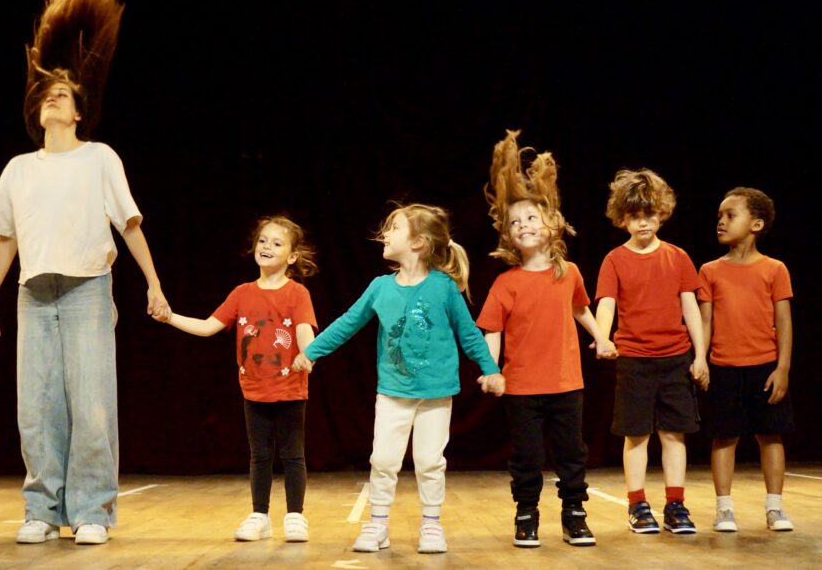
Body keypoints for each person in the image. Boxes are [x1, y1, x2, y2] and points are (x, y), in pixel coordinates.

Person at [0, 0, 170, 546]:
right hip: (33, 294)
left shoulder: (99, 157)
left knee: (92, 406)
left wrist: (153, 285)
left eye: (64, 94)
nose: (53, 97)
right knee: (34, 407)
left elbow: (129, 224)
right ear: (38, 113)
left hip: (86, 289)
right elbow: (5, 239)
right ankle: (40, 508)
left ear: (78, 112)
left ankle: (91, 511)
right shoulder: (18, 168)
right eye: (47, 95)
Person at [292, 203, 504, 555]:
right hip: (393, 392)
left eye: (394, 228)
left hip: (435, 394)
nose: (385, 234)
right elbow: (347, 323)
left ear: (418, 242)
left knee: (430, 461)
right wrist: (311, 351)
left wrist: (491, 369)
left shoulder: (444, 287)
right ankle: (377, 524)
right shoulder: (380, 287)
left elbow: (468, 333)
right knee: (384, 460)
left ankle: (432, 525)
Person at [477, 129, 616, 549]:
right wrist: (490, 371)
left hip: (566, 383)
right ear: (508, 234)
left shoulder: (568, 273)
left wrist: (602, 338)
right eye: (515, 222)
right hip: (521, 387)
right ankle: (526, 516)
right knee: (527, 458)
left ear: (551, 223)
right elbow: (493, 330)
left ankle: (575, 515)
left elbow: (579, 308)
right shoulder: (506, 282)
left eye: (531, 218)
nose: (523, 225)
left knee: (572, 454)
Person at [154, 215, 318, 542]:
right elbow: (207, 327)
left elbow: (304, 330)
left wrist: (307, 354)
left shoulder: (297, 293)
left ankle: (295, 516)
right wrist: (169, 317)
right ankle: (259, 515)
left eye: (276, 243)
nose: (266, 247)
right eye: (262, 241)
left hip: (289, 390)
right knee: (259, 455)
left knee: (292, 454)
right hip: (253, 391)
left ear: (292, 256)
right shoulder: (242, 293)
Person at [594, 168, 709, 535]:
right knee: (637, 434)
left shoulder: (677, 257)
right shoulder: (615, 259)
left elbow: (691, 308)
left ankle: (676, 504)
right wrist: (603, 336)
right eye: (634, 216)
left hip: (675, 358)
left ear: (661, 213)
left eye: (650, 215)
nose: (643, 223)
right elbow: (607, 303)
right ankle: (637, 505)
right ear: (622, 218)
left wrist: (701, 355)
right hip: (634, 360)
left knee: (674, 433)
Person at [697, 187, 794, 532]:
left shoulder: (775, 269)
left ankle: (775, 507)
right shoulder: (709, 270)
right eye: (719, 216)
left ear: (756, 224)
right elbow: (706, 321)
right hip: (724, 366)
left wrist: (782, 368)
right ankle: (724, 508)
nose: (721, 222)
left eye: (730, 215)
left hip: (765, 366)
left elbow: (783, 321)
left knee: (771, 435)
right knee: (724, 436)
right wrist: (702, 359)